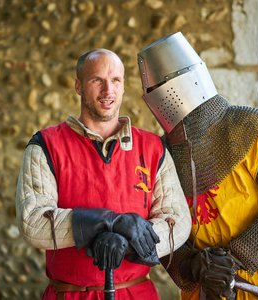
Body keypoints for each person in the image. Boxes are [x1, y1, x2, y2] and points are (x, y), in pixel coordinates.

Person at [137, 32, 258, 299]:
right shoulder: (160, 159)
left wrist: (232, 261)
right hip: (205, 289)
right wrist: (195, 266)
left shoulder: (250, 128)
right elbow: (163, 231)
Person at [15, 48, 191, 300]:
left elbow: (177, 221)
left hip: (136, 294)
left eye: (115, 81)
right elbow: (33, 222)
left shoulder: (152, 147)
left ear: (123, 86)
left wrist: (127, 243)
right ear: (78, 86)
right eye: (97, 80)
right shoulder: (45, 145)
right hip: (70, 295)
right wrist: (109, 223)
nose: (108, 90)